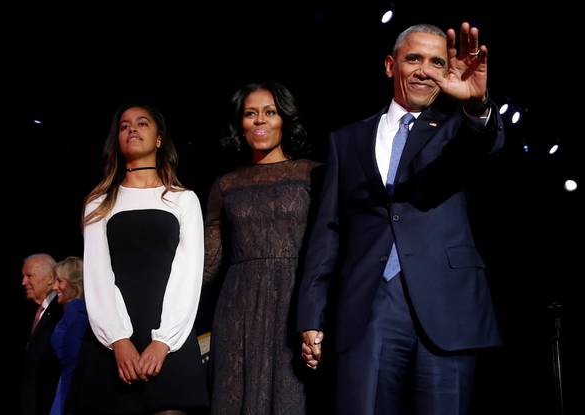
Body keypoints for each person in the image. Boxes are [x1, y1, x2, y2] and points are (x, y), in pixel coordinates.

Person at [297, 22, 504, 415]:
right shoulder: (347, 140)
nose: (425, 70)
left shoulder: (458, 128)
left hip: (448, 307)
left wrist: (476, 105)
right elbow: (327, 231)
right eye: (415, 59)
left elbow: (486, 141)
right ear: (391, 66)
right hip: (368, 306)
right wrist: (311, 314)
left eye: (437, 62)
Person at [73, 103, 208, 414]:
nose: (132, 128)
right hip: (110, 344)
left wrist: (164, 342)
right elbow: (97, 275)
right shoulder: (99, 202)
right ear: (117, 141)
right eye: (124, 126)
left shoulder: (183, 199)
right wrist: (118, 340)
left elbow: (188, 274)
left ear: (159, 139)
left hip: (170, 338)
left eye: (142, 123)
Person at [204, 81, 322, 414]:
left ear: (284, 119)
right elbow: (208, 263)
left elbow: (329, 251)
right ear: (240, 124)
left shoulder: (313, 175)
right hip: (237, 309)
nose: (260, 121)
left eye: (269, 112)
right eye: (250, 114)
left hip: (296, 304)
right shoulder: (225, 185)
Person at [21, 253, 63, 415]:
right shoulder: (40, 311)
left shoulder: (60, 310)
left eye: (29, 276)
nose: (23, 282)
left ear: (50, 279)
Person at [49, 256, 88, 415]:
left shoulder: (76, 311)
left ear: (74, 283)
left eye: (60, 281)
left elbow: (73, 358)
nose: (55, 287)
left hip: (71, 388)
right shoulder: (72, 311)